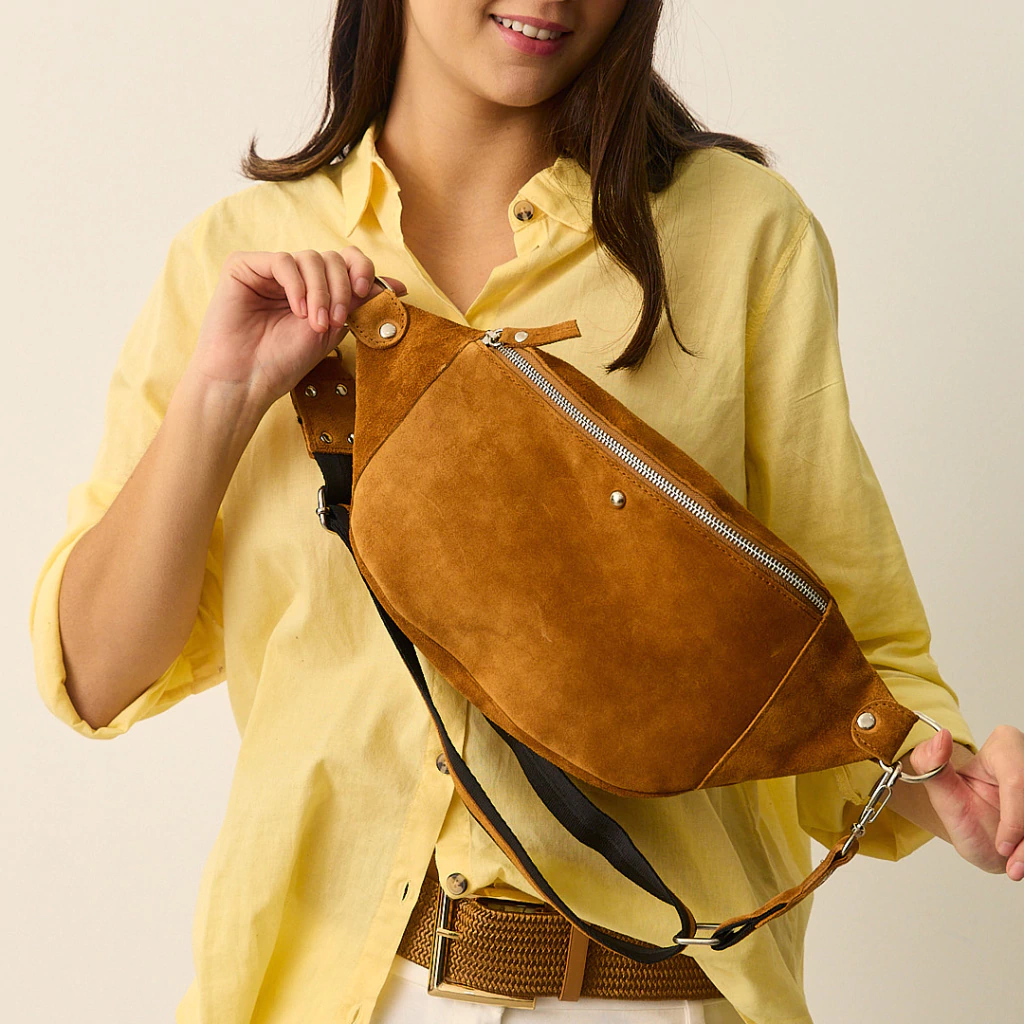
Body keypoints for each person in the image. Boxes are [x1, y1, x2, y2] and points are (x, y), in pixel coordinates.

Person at [28, 2, 1024, 1023]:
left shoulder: (742, 237)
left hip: (646, 998)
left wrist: (949, 791)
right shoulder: (242, 255)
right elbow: (95, 675)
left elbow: (845, 658)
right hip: (328, 997)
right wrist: (220, 400)